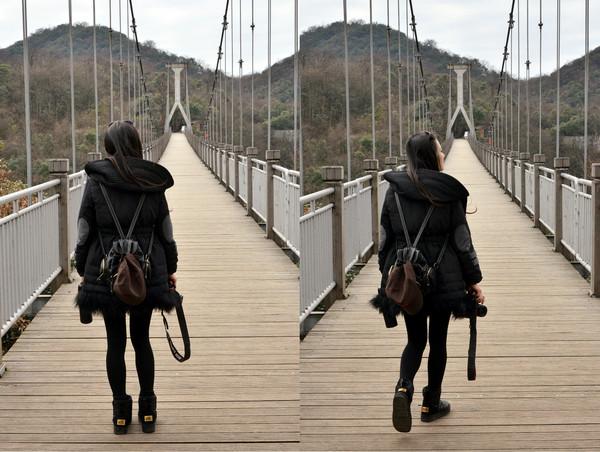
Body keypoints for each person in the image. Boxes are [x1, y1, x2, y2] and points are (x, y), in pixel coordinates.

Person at [374, 131, 484, 433]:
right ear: (432, 156)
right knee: (438, 341)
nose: (443, 154)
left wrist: (388, 276)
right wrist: (473, 280)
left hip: (409, 276)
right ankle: (431, 403)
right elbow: (462, 242)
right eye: (439, 151)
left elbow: (384, 239)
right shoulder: (448, 192)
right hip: (442, 278)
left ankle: (403, 387)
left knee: (415, 340)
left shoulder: (394, 191)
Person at [74, 121, 179, 435]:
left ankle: (120, 414)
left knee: (115, 342)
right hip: (145, 272)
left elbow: (84, 230)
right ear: (136, 144)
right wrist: (170, 268)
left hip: (107, 272)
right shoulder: (152, 180)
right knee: (142, 339)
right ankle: (148, 411)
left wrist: (82, 268)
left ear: (108, 146)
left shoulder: (96, 181)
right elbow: (166, 231)